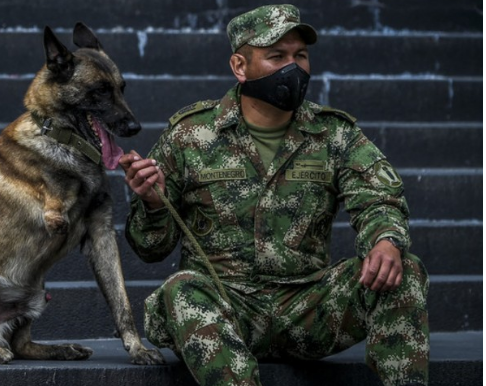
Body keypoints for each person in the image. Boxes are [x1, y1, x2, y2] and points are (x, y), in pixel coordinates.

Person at [119, 4, 429, 386]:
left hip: (309, 308)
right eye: (277, 56)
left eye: (300, 55)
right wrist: (153, 203)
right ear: (240, 66)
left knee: (405, 269)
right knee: (181, 289)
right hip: (225, 307)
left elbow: (378, 196)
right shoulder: (189, 136)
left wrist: (385, 241)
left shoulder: (334, 134)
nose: (293, 68)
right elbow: (150, 248)